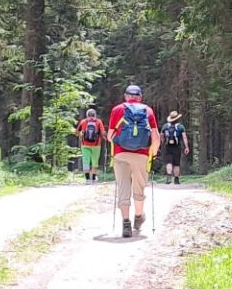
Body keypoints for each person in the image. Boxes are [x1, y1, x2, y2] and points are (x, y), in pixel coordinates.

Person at [107, 84, 157, 238]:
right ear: (140, 97)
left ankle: (126, 222)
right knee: (139, 187)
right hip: (141, 155)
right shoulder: (148, 111)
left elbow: (109, 136)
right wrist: (153, 154)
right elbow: (155, 137)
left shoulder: (117, 109)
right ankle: (139, 217)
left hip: (120, 154)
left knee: (123, 186)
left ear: (125, 96)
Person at [159, 110, 191, 184]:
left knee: (169, 162)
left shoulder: (165, 126)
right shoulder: (180, 126)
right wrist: (186, 147)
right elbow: (184, 137)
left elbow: (161, 136)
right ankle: (176, 179)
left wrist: (162, 143)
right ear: (177, 119)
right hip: (177, 146)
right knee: (176, 163)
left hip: (167, 146)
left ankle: (168, 178)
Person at [77, 107, 106, 183]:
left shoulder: (83, 122)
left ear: (87, 115)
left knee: (86, 161)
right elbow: (102, 133)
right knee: (95, 161)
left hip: (85, 145)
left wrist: (80, 136)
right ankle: (93, 179)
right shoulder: (98, 122)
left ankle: (87, 179)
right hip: (96, 145)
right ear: (95, 115)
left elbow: (77, 132)